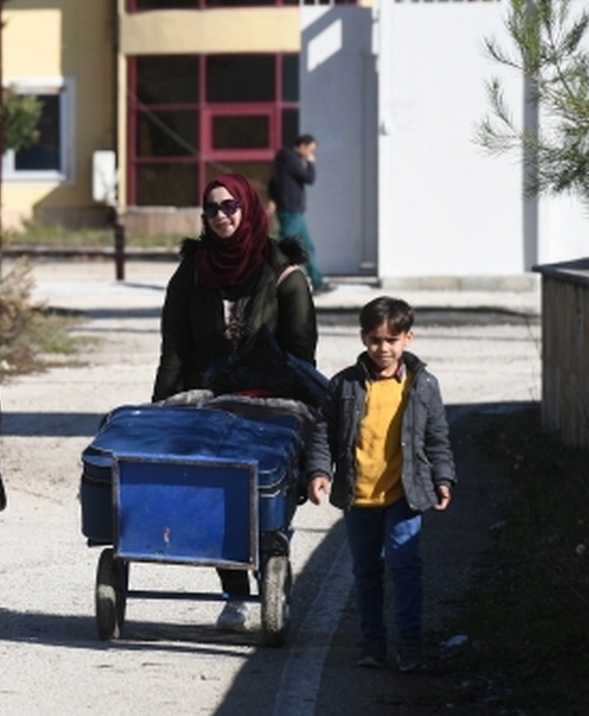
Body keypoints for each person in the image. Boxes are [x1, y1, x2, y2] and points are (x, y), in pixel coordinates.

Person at [153, 172, 317, 631]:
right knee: (217, 498)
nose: (221, 216)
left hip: (272, 406)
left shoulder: (285, 275)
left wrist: (282, 410)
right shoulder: (191, 273)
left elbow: (299, 356)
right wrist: (160, 412)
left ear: (249, 208)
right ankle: (235, 595)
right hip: (211, 403)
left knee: (266, 498)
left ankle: (273, 578)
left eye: (230, 207)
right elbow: (175, 350)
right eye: (211, 208)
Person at [305, 296, 455, 673]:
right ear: (363, 339)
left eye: (391, 340)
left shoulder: (423, 386)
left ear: (408, 338)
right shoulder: (344, 386)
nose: (382, 349)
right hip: (360, 496)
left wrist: (443, 478)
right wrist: (320, 472)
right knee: (367, 571)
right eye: (374, 340)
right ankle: (373, 643)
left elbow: (437, 437)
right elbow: (324, 434)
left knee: (406, 568)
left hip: (405, 493)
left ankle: (410, 645)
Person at [269, 134, 330, 293]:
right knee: (286, 248)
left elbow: (273, 182)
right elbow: (309, 178)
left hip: (294, 210)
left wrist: (273, 198)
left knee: (307, 247)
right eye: (310, 150)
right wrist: (310, 163)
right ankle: (274, 279)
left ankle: (317, 282)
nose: (311, 154)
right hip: (291, 210)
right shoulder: (291, 159)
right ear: (302, 145)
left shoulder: (283, 159)